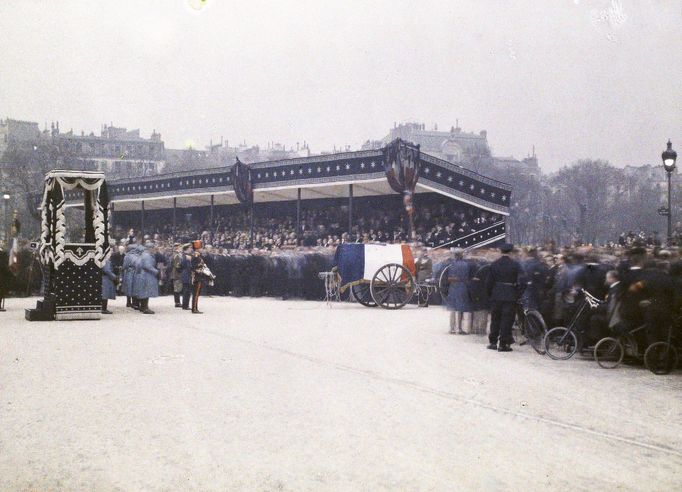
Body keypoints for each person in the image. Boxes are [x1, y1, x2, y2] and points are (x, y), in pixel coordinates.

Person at [485, 243, 523, 352]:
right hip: (510, 295)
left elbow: (489, 282)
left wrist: (490, 294)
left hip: (496, 295)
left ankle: (492, 342)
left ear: (501, 252)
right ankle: (503, 343)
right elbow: (523, 280)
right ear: (511, 252)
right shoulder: (515, 265)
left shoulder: (494, 264)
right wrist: (518, 293)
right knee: (507, 320)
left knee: (495, 319)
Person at [446, 248, 473, 334]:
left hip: (453, 287)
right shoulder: (465, 264)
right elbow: (467, 276)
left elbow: (448, 277)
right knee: (460, 308)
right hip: (462, 286)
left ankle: (452, 328)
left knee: (453, 308)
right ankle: (459, 328)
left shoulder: (451, 264)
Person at [134, 243, 159, 314]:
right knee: (146, 292)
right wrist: (157, 272)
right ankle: (145, 308)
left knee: (144, 291)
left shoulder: (143, 255)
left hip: (143, 275)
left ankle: (143, 307)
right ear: (150, 248)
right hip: (146, 275)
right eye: (153, 248)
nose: (154, 249)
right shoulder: (147, 256)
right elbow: (148, 266)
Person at [121, 244, 140, 309]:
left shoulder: (127, 256)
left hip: (129, 273)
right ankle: (134, 303)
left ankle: (129, 302)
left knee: (129, 287)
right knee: (134, 287)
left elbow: (125, 265)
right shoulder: (138, 255)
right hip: (136, 273)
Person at [180, 244, 193, 310]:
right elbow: (183, 265)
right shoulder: (185, 256)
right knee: (186, 290)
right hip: (186, 274)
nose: (191, 249)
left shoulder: (188, 256)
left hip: (187, 274)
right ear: (187, 248)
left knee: (187, 290)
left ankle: (186, 304)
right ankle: (185, 305)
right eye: (190, 248)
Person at [170, 243, 183, 307]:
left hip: (176, 273)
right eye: (180, 247)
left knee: (177, 288)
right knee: (177, 288)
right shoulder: (177, 255)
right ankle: (177, 302)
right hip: (177, 274)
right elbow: (177, 266)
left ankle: (177, 302)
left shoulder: (176, 254)